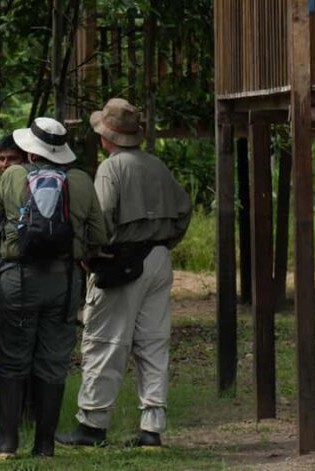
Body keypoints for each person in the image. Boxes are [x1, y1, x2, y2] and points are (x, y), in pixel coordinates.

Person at [56, 98, 192, 449]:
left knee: (105, 342)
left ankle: (92, 424)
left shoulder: (111, 169)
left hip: (122, 261)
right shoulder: (157, 165)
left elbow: (100, 221)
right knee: (153, 342)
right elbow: (183, 210)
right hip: (159, 257)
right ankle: (152, 426)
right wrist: (163, 243)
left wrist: (91, 257)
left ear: (106, 136)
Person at [0, 118, 107, 459]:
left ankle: (8, 445)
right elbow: (99, 235)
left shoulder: (12, 176)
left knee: (12, 359)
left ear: (30, 150)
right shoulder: (81, 181)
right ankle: (44, 446)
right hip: (64, 280)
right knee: (53, 361)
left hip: (18, 279)